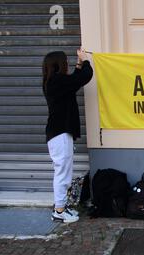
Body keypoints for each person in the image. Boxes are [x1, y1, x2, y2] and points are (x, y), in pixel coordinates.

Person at [42, 47, 93, 223]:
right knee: (62, 174)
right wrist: (86, 60)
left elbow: (74, 81)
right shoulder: (57, 82)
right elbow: (84, 77)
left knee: (64, 173)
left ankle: (62, 207)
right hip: (59, 135)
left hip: (59, 134)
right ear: (59, 64)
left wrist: (79, 64)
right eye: (66, 62)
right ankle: (59, 211)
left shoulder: (54, 82)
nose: (67, 64)